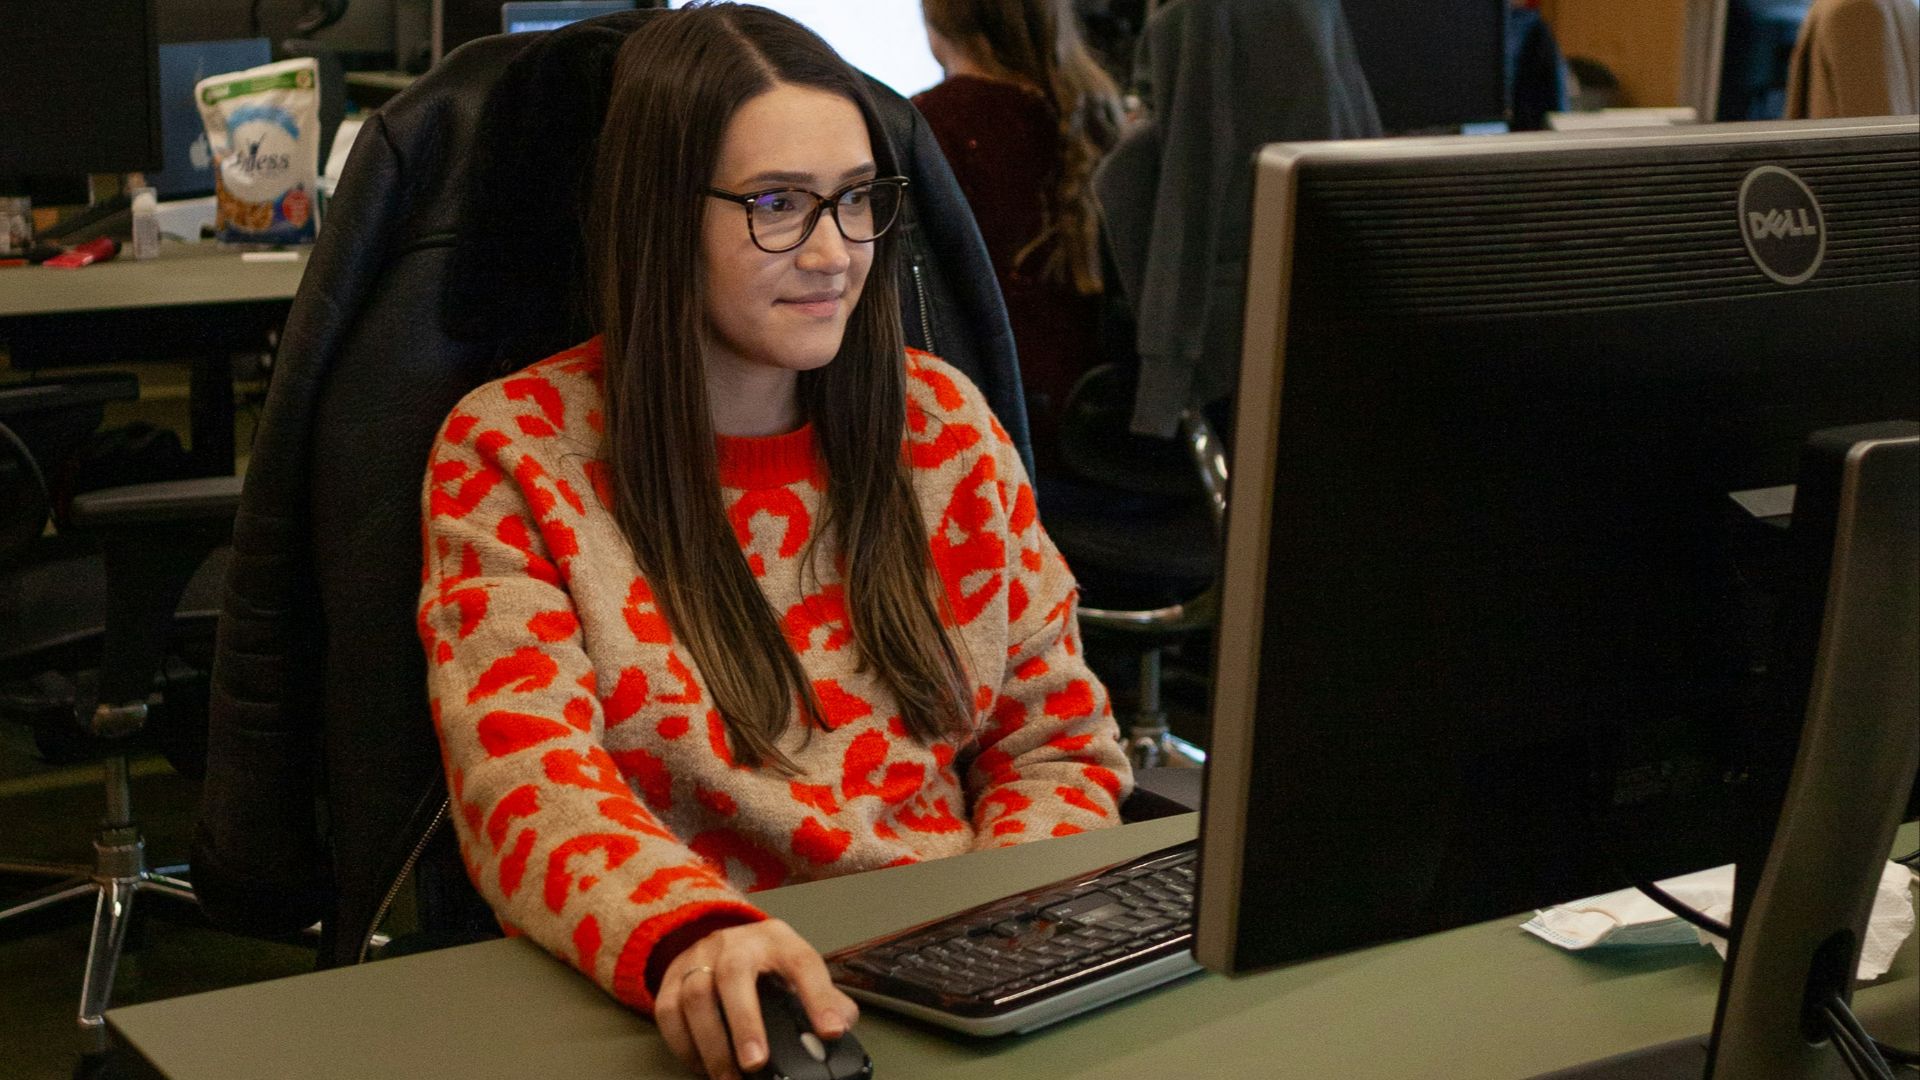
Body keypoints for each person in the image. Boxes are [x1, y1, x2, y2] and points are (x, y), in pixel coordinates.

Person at [415, 5, 1132, 1078]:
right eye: (780, 206)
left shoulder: (940, 429)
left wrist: (1001, 936)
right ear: (657, 216)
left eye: (857, 201)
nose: (836, 252)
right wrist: (698, 937)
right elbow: (528, 783)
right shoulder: (513, 454)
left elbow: (1057, 741)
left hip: (961, 982)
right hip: (703, 998)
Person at [914, 0, 1124, 474]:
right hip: (1093, 405)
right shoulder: (1093, 106)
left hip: (991, 414)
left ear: (938, 21)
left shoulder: (928, 124)